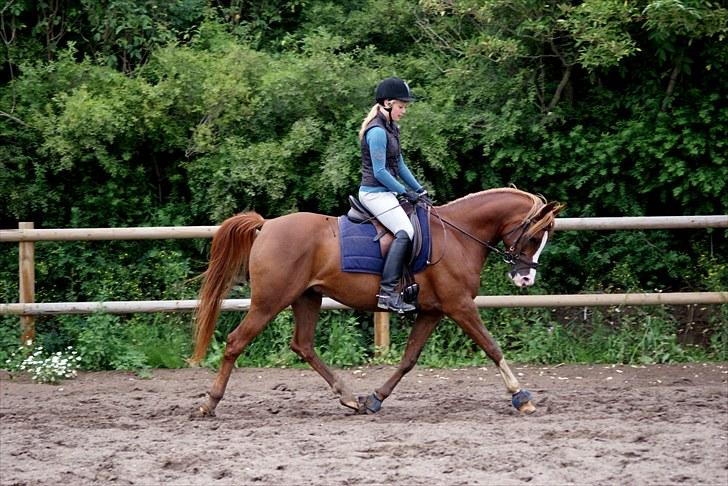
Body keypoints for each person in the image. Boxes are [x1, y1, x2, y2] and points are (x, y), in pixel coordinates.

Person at [358, 76, 427, 313]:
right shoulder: (376, 132)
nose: (404, 111)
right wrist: (405, 192)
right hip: (374, 193)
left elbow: (400, 165)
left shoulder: (392, 128)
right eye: (401, 106)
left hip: (387, 193)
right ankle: (387, 294)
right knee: (405, 231)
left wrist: (419, 190)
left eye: (405, 107)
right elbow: (379, 172)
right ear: (387, 103)